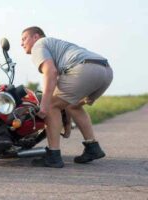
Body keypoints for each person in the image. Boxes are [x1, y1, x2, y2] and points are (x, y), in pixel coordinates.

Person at [21, 26, 113, 168]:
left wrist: (44, 105)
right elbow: (63, 95)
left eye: (24, 38)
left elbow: (50, 73)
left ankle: (53, 156)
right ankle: (92, 147)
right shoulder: (56, 47)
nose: (22, 43)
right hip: (105, 71)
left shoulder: (39, 45)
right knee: (73, 106)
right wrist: (67, 124)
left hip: (84, 70)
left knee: (51, 105)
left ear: (36, 37)